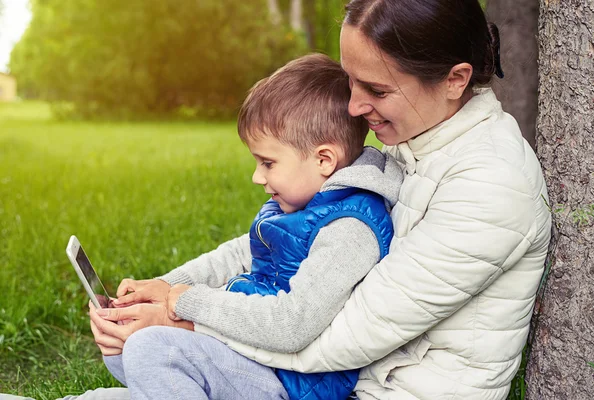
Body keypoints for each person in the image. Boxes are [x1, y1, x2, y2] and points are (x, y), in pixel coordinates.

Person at [2, 0, 551, 398]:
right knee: (128, 368)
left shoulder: (491, 186)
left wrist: (181, 317)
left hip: (374, 389)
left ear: (456, 79)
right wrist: (164, 293)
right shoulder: (410, 141)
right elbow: (278, 243)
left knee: (154, 355)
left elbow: (337, 337)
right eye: (351, 82)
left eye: (377, 90)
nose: (355, 108)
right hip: (323, 377)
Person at [95, 53, 401, 400]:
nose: (258, 177)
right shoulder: (306, 203)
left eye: (268, 163)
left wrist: (186, 304)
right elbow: (237, 253)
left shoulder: (349, 229)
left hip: (290, 380)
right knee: (124, 344)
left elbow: (292, 324)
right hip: (257, 360)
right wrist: (164, 286)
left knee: (151, 349)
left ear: (324, 160)